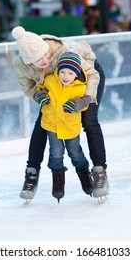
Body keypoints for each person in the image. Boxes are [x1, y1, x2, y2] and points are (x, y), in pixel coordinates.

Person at [11, 26, 109, 201]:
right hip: (55, 87)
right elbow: (28, 87)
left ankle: (100, 172)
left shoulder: (60, 51)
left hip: (86, 76)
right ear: (29, 61)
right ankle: (31, 175)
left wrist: (85, 100)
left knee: (89, 120)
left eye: (46, 55)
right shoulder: (21, 65)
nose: (46, 59)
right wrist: (37, 94)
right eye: (40, 60)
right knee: (43, 124)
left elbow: (92, 74)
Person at [34, 52, 93, 202]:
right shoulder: (50, 80)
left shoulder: (80, 87)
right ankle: (58, 179)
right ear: (58, 70)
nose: (65, 76)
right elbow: (38, 91)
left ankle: (84, 174)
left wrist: (75, 104)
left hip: (69, 127)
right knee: (55, 153)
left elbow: (86, 101)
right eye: (62, 72)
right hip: (51, 125)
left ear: (76, 73)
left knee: (75, 153)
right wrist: (40, 96)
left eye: (70, 73)